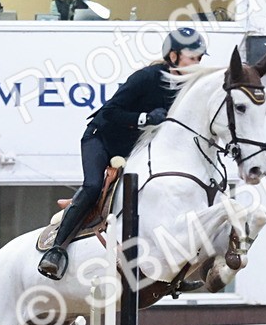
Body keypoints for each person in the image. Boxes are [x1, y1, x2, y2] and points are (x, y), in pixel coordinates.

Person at [37, 27, 208, 280]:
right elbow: (109, 112)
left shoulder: (186, 88)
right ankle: (56, 250)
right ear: (172, 56)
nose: (197, 64)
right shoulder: (147, 78)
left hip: (133, 150)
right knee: (94, 186)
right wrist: (145, 117)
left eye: (199, 59)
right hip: (102, 138)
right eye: (192, 58)